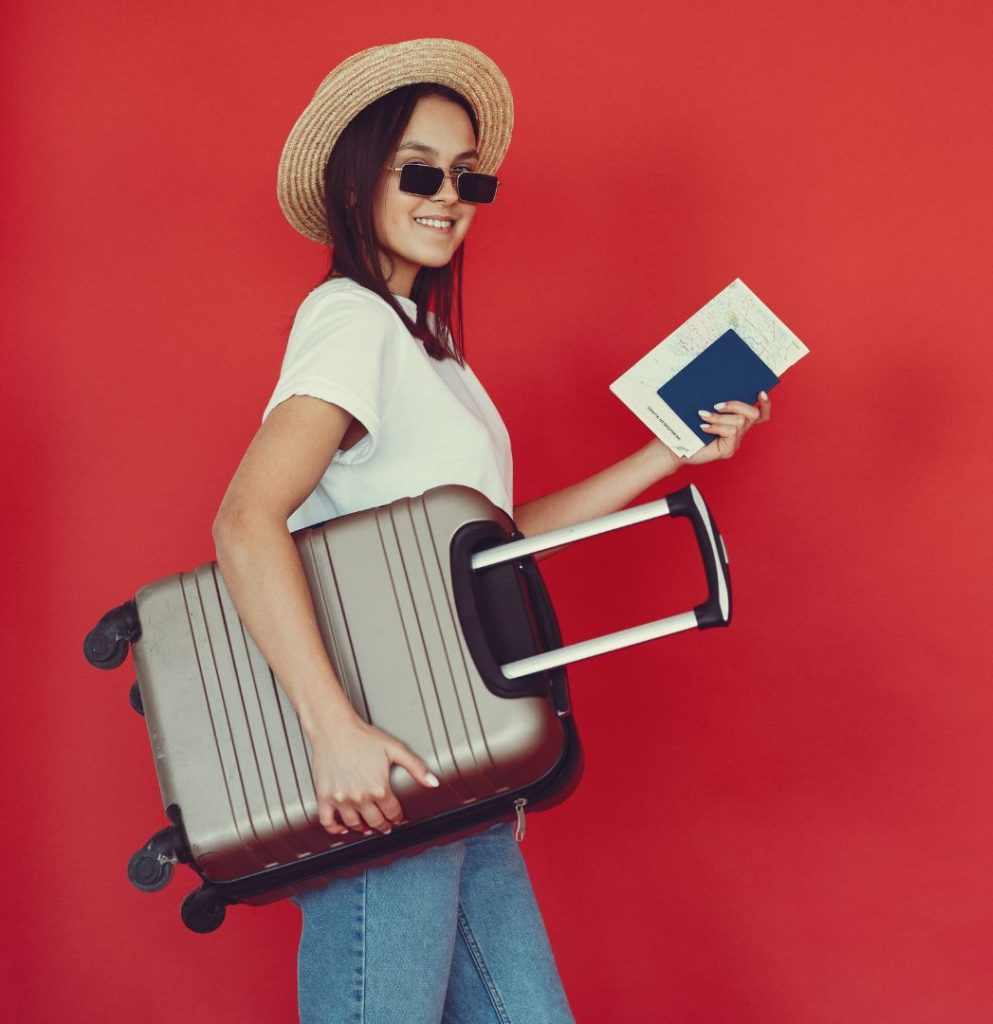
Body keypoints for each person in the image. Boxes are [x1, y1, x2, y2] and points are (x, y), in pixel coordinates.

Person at [213, 37, 771, 1024]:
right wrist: (333, 733)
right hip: (389, 767)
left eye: (468, 175)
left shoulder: (427, 349)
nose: (449, 195)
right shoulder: (352, 322)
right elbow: (246, 521)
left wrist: (665, 455)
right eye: (419, 170)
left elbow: (493, 538)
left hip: (460, 768)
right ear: (356, 185)